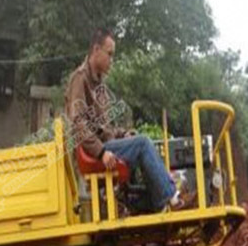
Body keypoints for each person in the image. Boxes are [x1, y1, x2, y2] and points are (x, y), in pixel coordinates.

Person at [64, 28, 192, 212]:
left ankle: (157, 204)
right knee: (142, 144)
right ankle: (172, 198)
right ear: (96, 50)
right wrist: (101, 153)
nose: (111, 60)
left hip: (103, 145)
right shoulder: (80, 79)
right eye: (109, 54)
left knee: (141, 141)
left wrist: (122, 134)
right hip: (92, 151)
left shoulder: (99, 84)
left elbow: (104, 127)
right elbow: (78, 124)